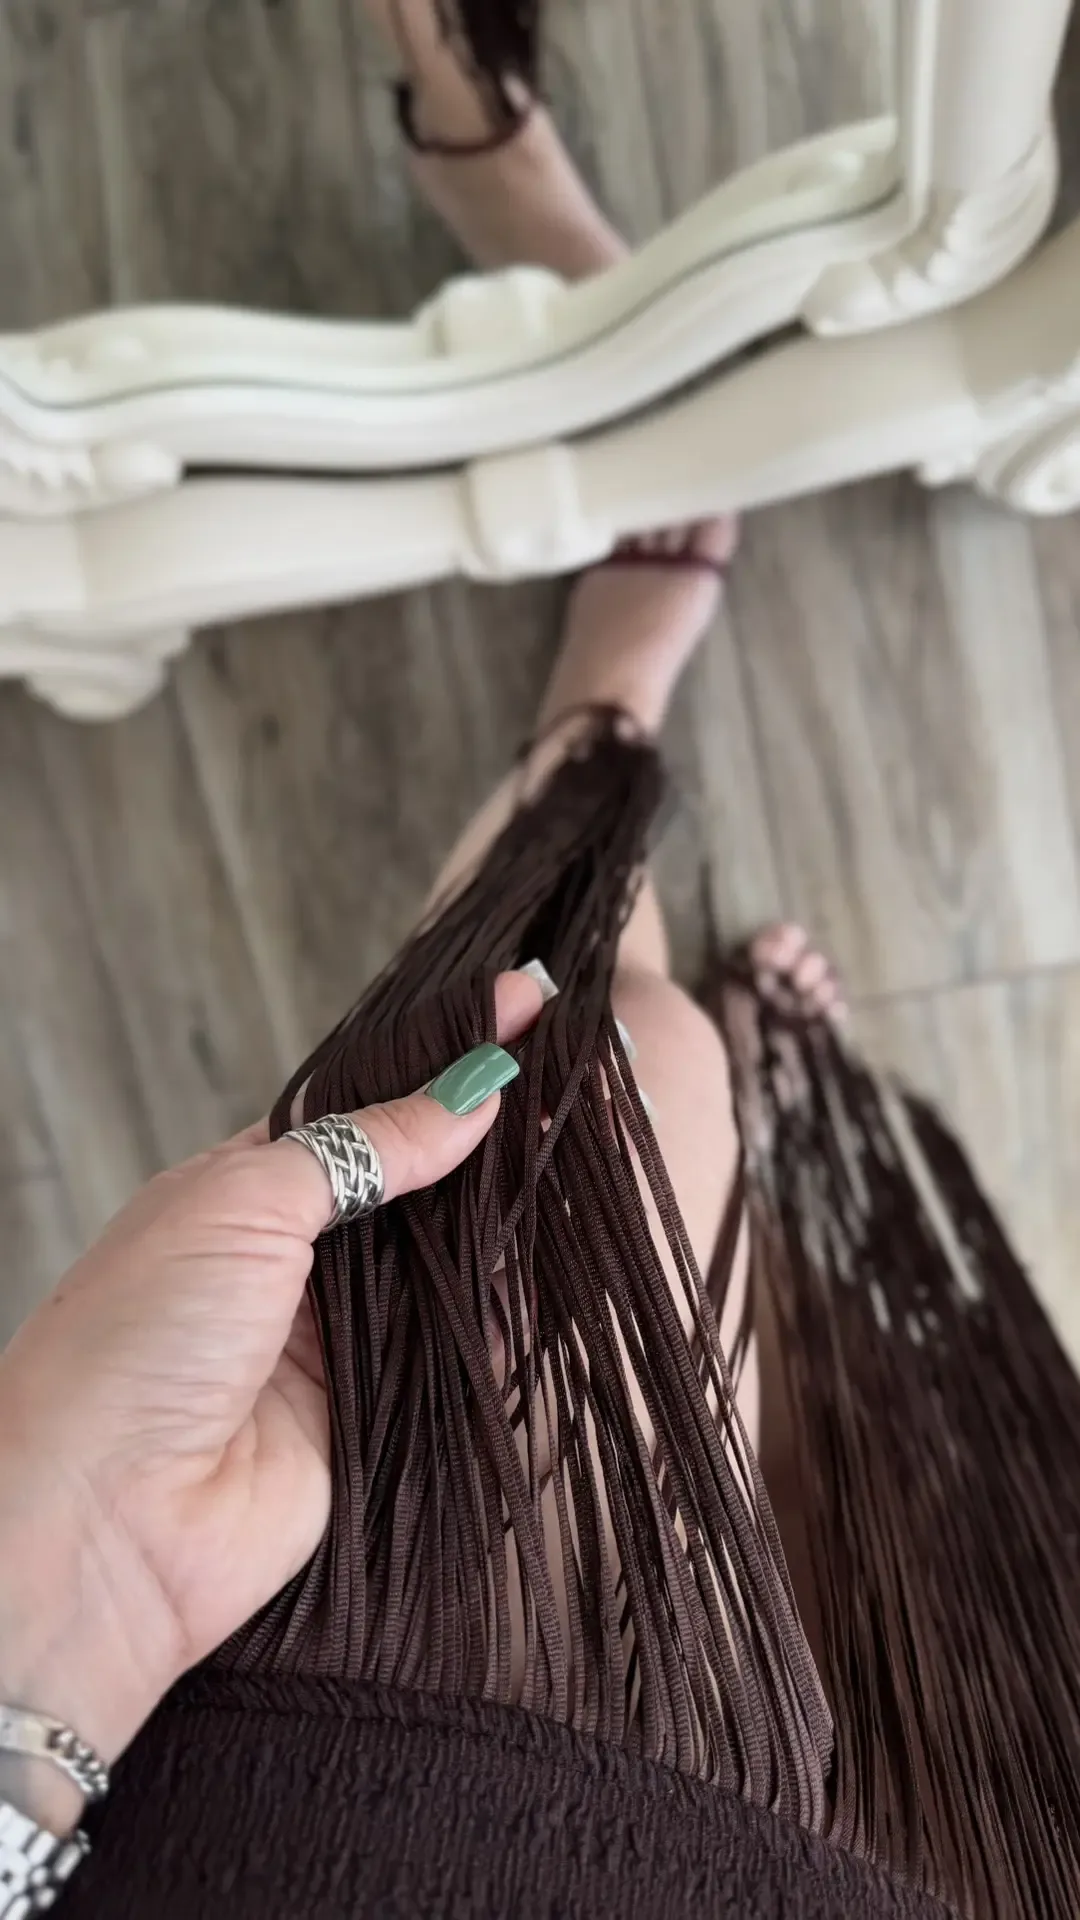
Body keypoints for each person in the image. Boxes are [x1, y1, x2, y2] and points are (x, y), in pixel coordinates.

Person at [2, 13, 1079, 1917]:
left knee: (596, 1079)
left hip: (305, 1821)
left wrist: (60, 1610)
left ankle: (606, 721)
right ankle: (701, 958)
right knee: (830, 1514)